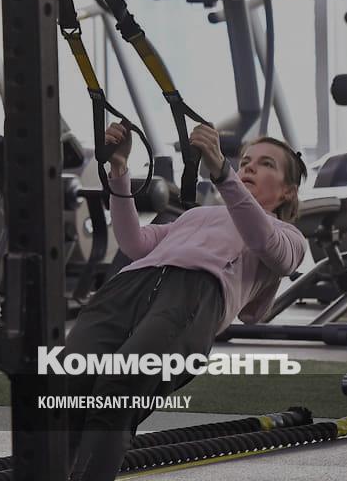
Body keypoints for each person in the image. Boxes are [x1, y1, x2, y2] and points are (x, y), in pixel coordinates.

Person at [64, 121, 308, 480]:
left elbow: (265, 243)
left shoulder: (289, 236)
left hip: (192, 294)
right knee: (69, 386)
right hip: (126, 287)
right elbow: (134, 243)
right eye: (245, 161)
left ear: (287, 192)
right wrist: (119, 169)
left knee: (122, 385)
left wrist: (223, 172)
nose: (249, 168)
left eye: (266, 164)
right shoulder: (197, 215)